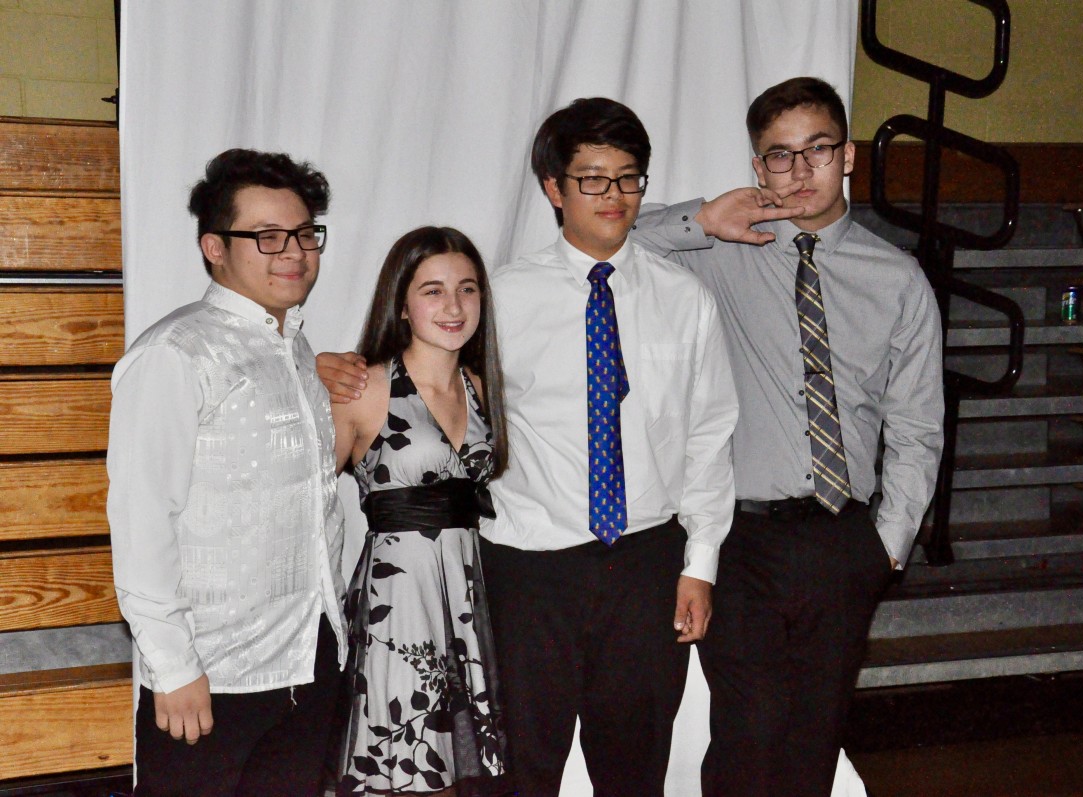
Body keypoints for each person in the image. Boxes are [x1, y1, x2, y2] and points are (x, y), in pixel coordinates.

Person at [318, 98, 744, 796]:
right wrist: (315, 366)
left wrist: (700, 562)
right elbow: (411, 377)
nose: (615, 196)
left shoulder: (685, 298)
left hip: (645, 563)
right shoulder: (498, 300)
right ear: (554, 188)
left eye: (629, 178)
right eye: (593, 180)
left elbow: (708, 432)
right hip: (525, 573)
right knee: (519, 771)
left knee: (635, 769)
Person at [632, 77, 945, 797]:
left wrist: (886, 543)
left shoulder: (896, 280)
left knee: (812, 739)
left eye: (816, 149)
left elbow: (918, 426)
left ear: (848, 156)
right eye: (779, 156)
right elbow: (613, 238)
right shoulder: (724, 252)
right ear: (757, 168)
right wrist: (704, 218)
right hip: (741, 543)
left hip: (843, 540)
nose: (799, 171)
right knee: (746, 733)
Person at [106, 148, 347, 796]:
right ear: (214, 246)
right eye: (266, 236)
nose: (293, 251)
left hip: (306, 659)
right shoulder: (176, 353)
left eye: (303, 233)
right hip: (213, 678)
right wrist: (174, 665)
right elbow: (143, 518)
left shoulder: (294, 346)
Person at [329, 226, 510, 797]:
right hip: (397, 602)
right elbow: (306, 504)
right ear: (401, 304)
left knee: (456, 773)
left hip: (466, 594)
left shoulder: (480, 385)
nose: (454, 306)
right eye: (432, 290)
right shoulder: (365, 388)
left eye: (468, 289)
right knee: (402, 763)